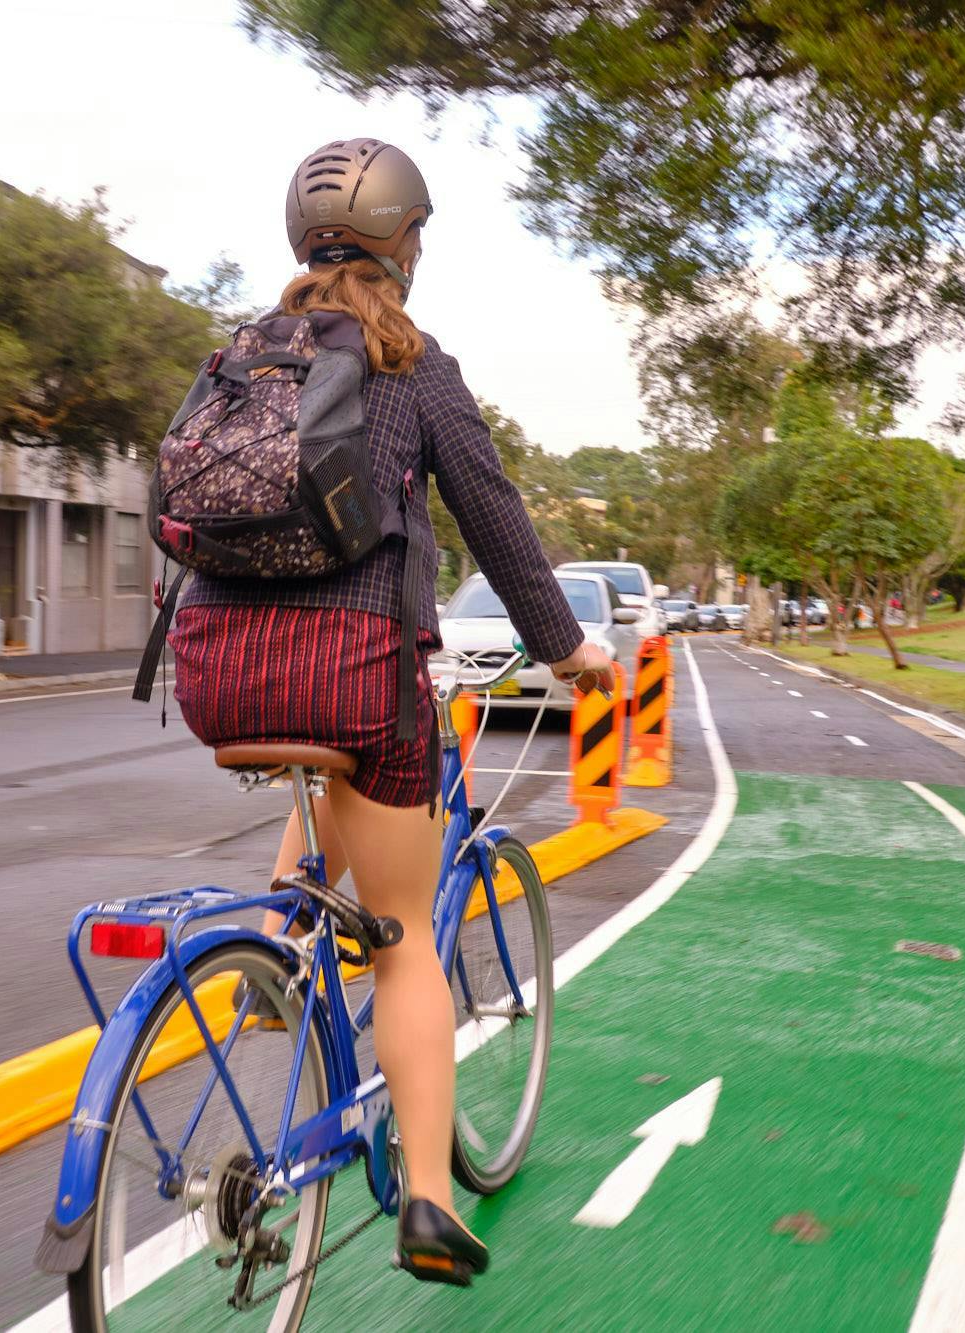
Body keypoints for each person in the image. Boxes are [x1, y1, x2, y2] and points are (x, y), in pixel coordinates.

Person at [166, 137, 614, 1287]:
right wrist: (569, 654)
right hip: (361, 669)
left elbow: (178, 512)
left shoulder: (235, 363)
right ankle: (425, 1198)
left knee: (326, 800)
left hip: (215, 667)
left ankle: (272, 953)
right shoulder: (415, 372)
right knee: (405, 932)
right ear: (403, 243)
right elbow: (499, 527)